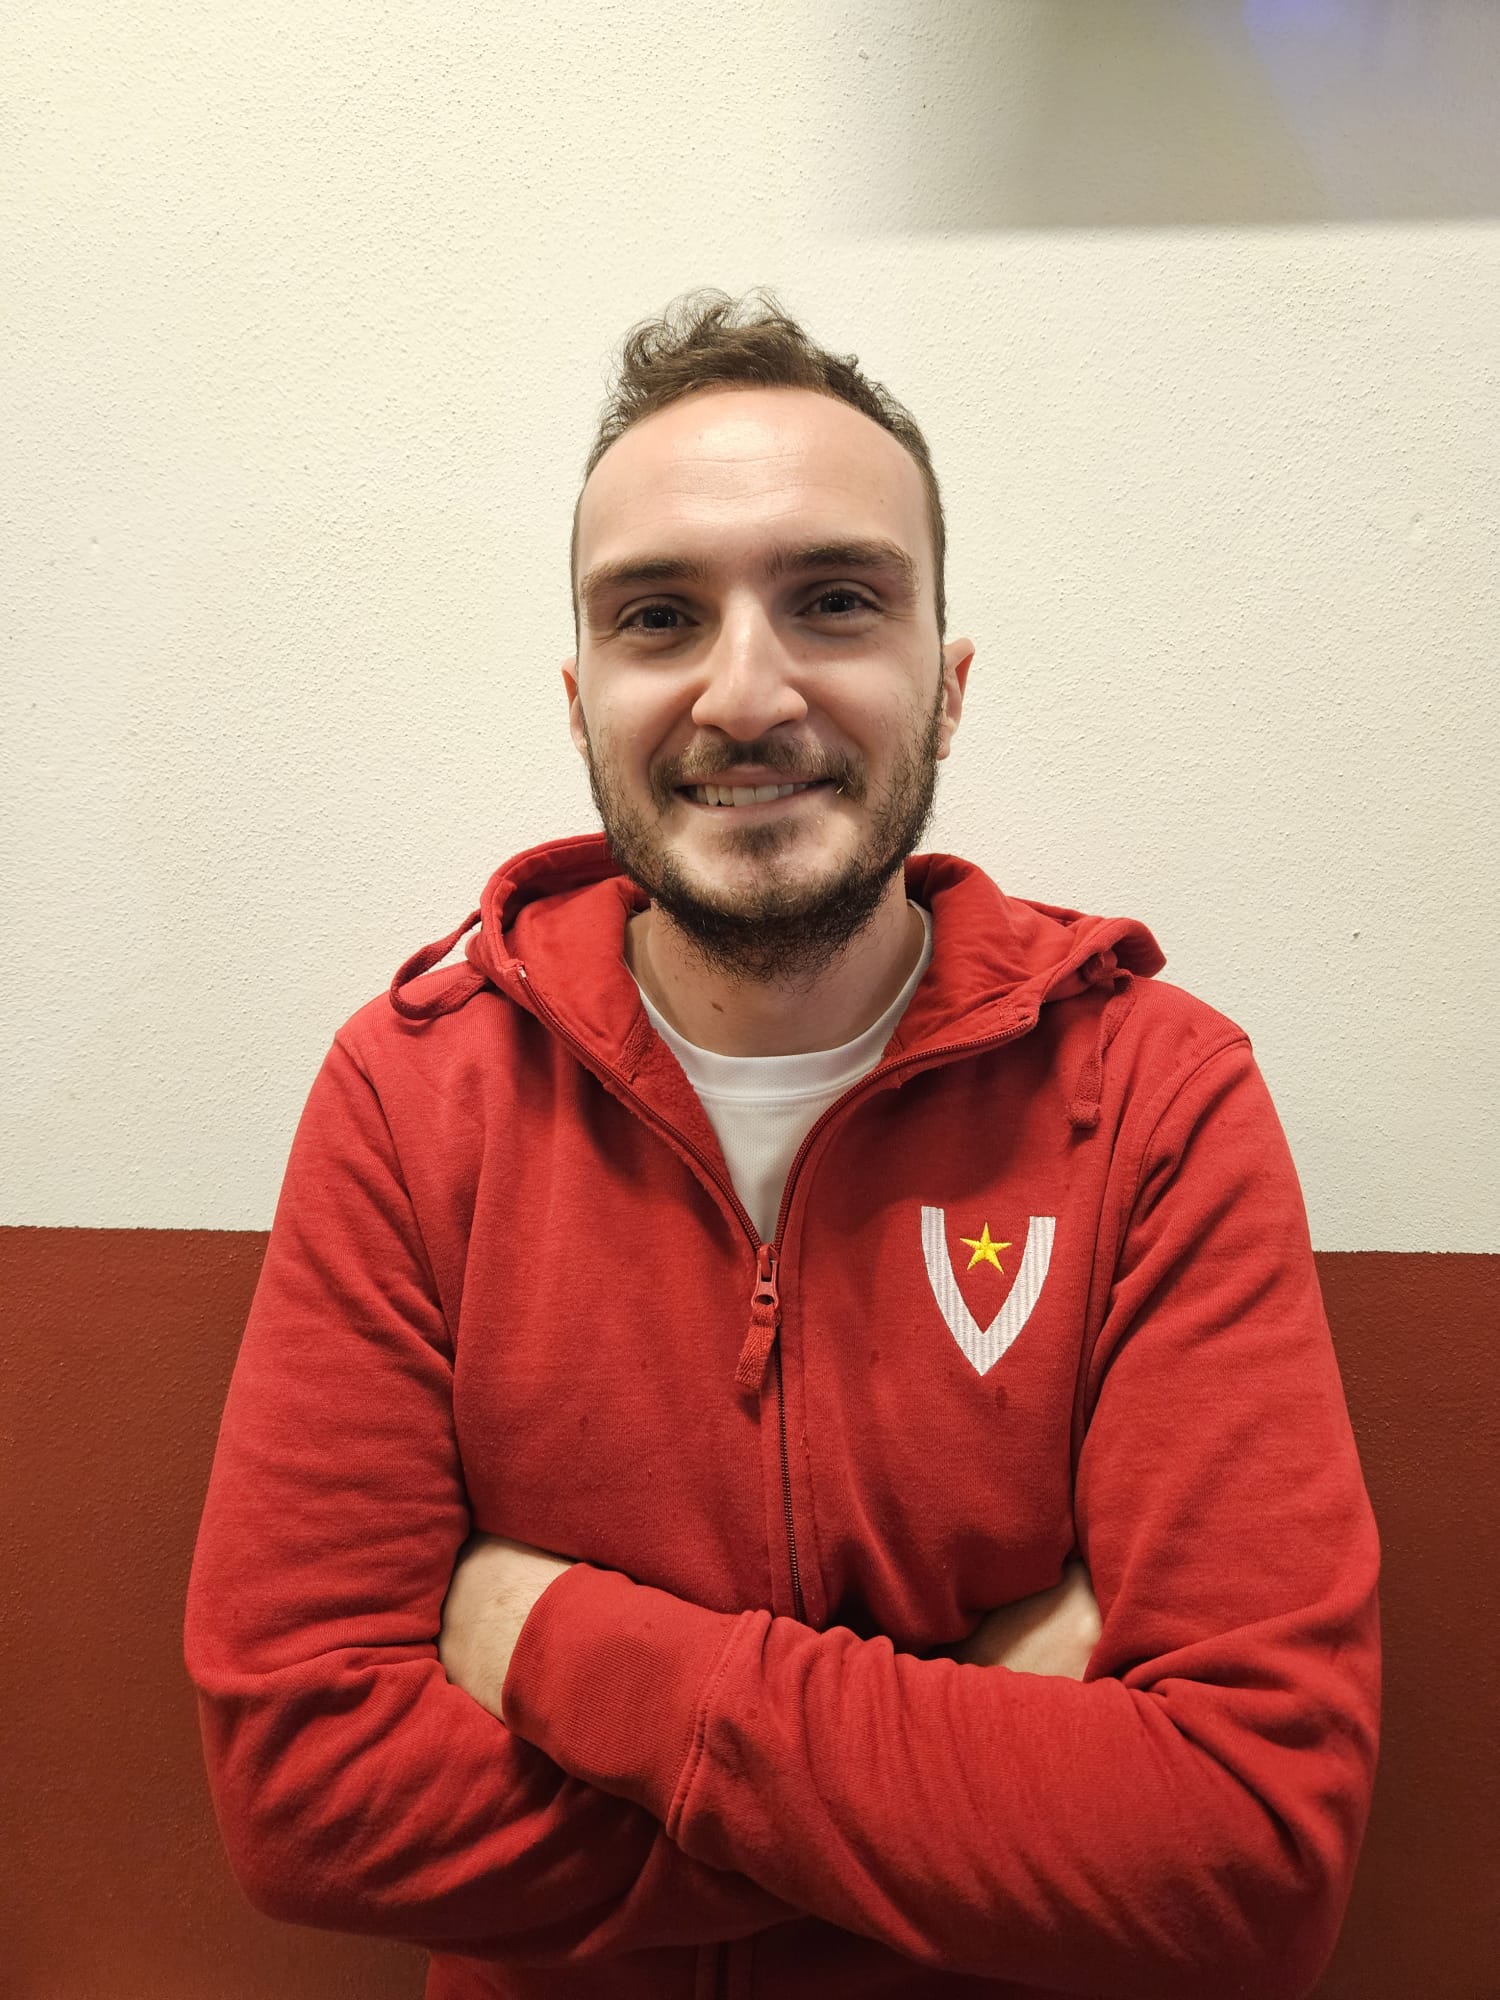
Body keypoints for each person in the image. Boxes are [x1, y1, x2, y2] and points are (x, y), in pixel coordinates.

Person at [185, 289, 1380, 2000]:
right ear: (581, 698)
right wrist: (977, 1776)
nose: (746, 695)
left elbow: (1247, 1858)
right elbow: (308, 1803)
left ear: (946, 688)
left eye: (834, 600)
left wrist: (565, 1645)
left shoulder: (1156, 1096)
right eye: (660, 616)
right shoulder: (412, 1095)